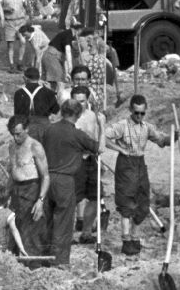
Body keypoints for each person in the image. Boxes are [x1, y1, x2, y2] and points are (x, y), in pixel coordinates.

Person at [105, 94, 173, 256]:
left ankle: (135, 237)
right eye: (136, 113)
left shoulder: (147, 127)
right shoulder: (122, 125)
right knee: (127, 203)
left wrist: (174, 136)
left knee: (142, 202)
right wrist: (120, 149)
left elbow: (161, 140)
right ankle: (126, 240)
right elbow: (104, 137)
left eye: (142, 113)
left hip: (140, 165)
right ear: (130, 110)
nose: (139, 116)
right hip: (125, 165)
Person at [40, 98, 99, 267]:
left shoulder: (49, 129)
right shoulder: (76, 133)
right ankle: (60, 261)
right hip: (64, 180)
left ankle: (45, 257)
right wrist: (101, 125)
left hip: (47, 178)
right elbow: (98, 148)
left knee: (48, 220)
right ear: (78, 114)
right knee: (64, 222)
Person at [6, 115, 51, 258]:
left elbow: (45, 176)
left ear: (26, 129)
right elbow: (11, 173)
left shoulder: (35, 146)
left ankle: (34, 264)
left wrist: (41, 200)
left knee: (32, 230)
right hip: (16, 190)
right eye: (12, 134)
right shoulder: (11, 146)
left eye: (18, 134)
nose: (15, 137)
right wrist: (6, 195)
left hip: (32, 189)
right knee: (15, 226)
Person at [69, 85, 105, 245]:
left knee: (95, 196)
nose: (79, 105)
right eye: (76, 101)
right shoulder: (68, 118)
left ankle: (86, 232)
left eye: (82, 101)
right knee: (72, 198)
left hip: (92, 159)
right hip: (75, 160)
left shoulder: (93, 116)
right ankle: (68, 235)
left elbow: (98, 139)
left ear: (87, 100)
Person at [12, 67, 59, 139]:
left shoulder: (18, 93)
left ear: (25, 78)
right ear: (39, 78)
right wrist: (52, 92)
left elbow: (17, 114)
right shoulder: (48, 92)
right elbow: (56, 110)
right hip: (44, 127)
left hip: (26, 127)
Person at [41, 23, 78, 95]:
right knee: (59, 81)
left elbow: (63, 59)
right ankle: (59, 101)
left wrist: (66, 72)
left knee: (54, 81)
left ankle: (51, 97)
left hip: (52, 56)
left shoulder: (65, 36)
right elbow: (68, 51)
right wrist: (70, 66)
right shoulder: (68, 34)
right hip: (52, 56)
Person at [2, 0, 28, 71]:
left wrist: (27, 13)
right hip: (9, 22)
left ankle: (20, 62)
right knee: (10, 44)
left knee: (23, 42)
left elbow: (27, 6)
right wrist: (6, 9)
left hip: (21, 21)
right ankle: (11, 64)